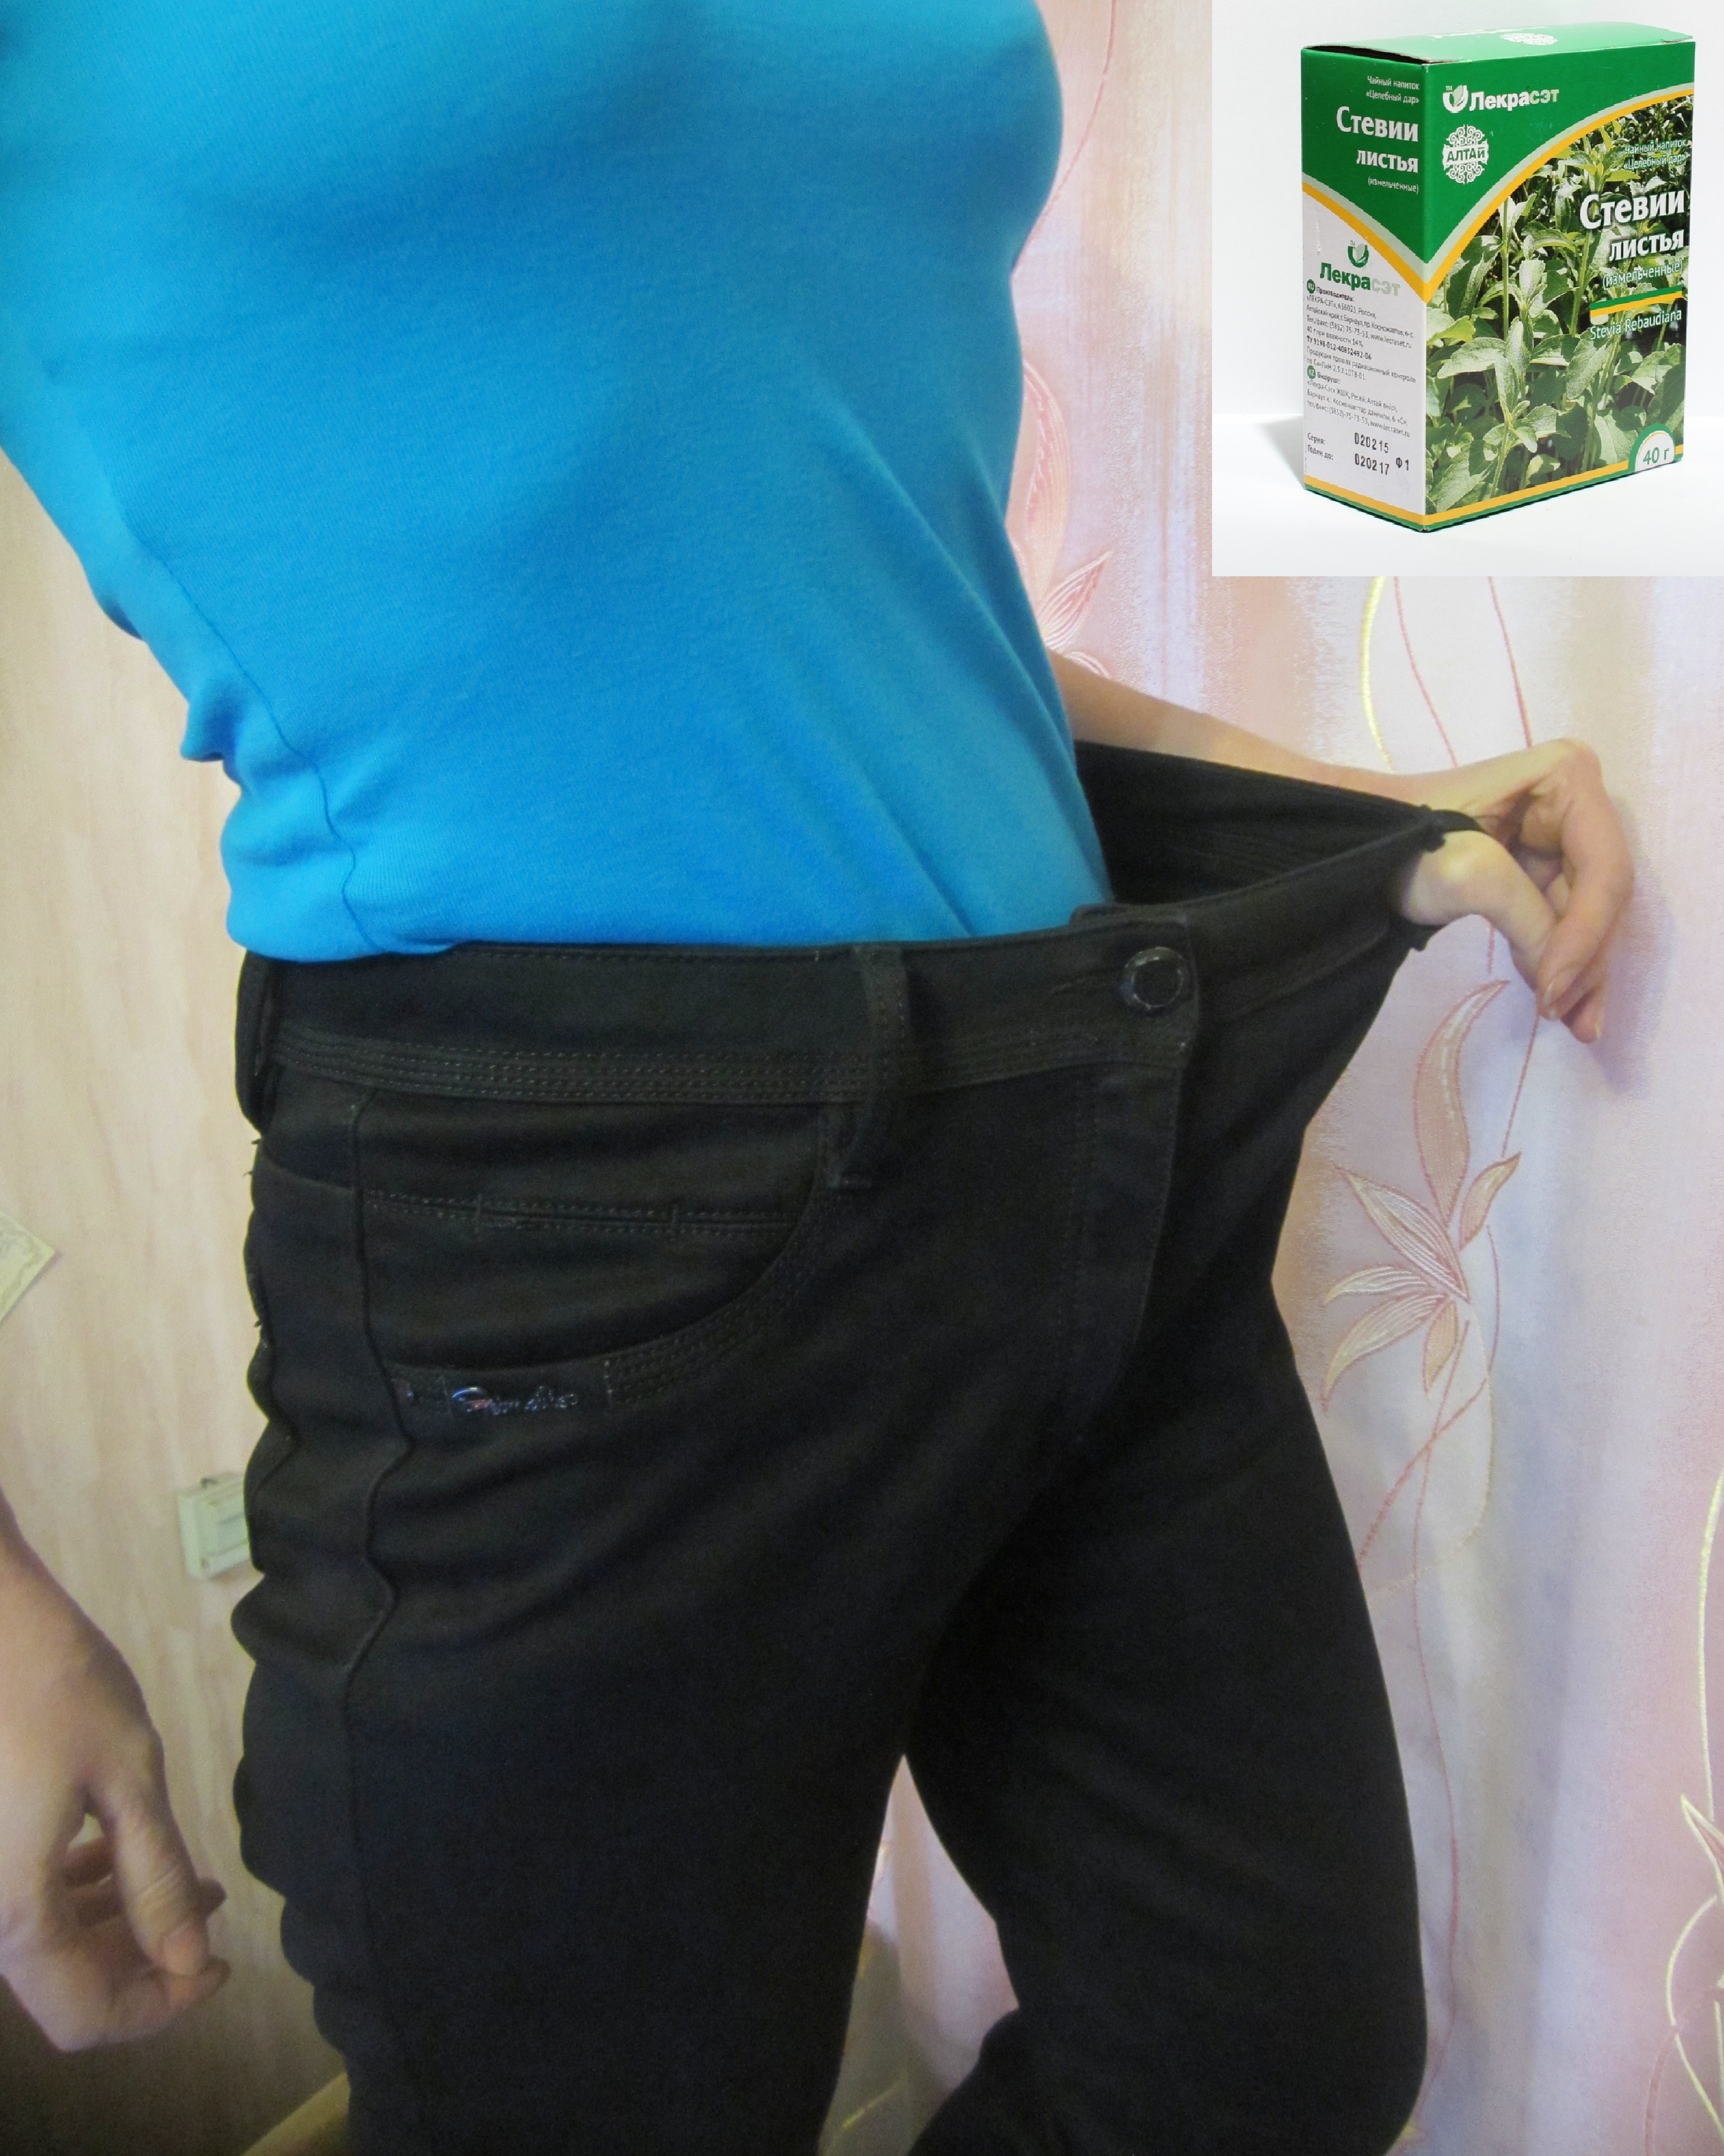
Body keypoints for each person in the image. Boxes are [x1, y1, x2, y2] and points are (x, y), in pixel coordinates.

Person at [0, 6, 1628, 2151]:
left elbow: (844, 577)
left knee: (1265, 2060)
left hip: (1085, 1105)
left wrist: (1352, 795)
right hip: (576, 1219)